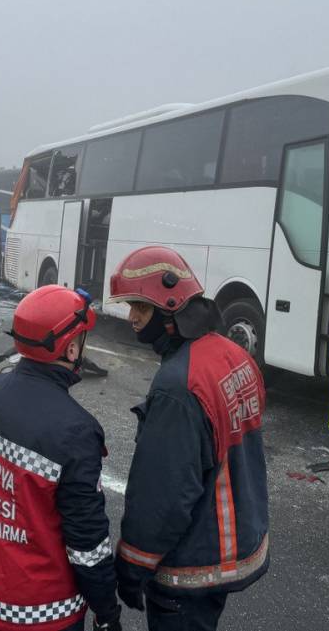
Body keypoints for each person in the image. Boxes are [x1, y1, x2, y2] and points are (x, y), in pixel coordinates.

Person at [108, 246, 269, 630]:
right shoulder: (234, 354)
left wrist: (132, 567)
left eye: (141, 309)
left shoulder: (177, 386)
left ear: (171, 311)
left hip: (192, 565)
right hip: (236, 542)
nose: (131, 318)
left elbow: (162, 494)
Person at [0, 284, 121, 631]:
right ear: (72, 349)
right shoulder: (74, 431)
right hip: (46, 610)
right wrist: (107, 612)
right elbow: (87, 543)